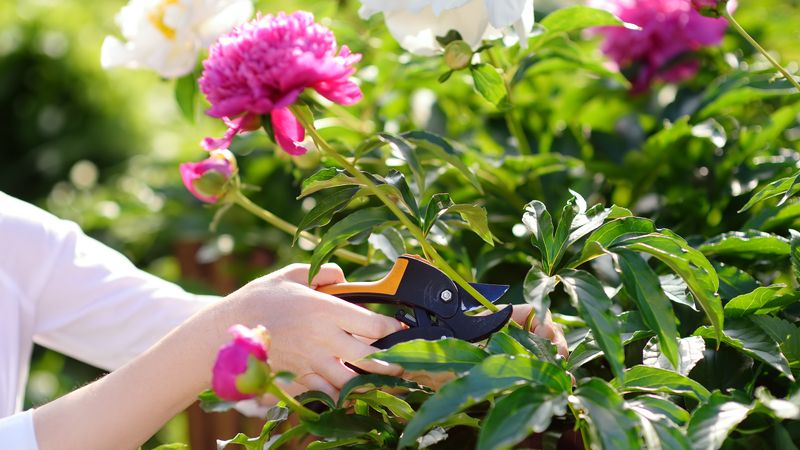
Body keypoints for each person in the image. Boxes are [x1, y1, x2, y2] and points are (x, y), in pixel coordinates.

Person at [0, 191, 567, 450]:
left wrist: (407, 347)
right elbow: (203, 344)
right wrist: (245, 320)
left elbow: (164, 328)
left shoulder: (14, 234)